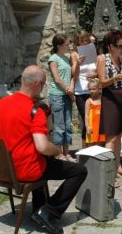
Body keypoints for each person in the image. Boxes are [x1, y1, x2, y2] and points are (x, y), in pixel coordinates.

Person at [0, 65, 87, 234]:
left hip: (3, 168)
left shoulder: (1, 104)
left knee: (43, 158)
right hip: (25, 171)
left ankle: (39, 207)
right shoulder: (34, 110)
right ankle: (47, 211)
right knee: (79, 170)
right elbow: (42, 146)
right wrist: (59, 152)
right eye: (43, 84)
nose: (43, 87)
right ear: (37, 84)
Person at [97, 29, 122, 187]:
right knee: (111, 138)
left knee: (119, 135)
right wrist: (115, 78)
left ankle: (117, 166)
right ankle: (108, 175)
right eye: (120, 46)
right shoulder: (102, 58)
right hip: (110, 97)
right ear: (110, 46)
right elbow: (101, 82)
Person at [48, 34, 76, 162]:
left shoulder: (66, 58)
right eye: (66, 44)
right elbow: (57, 79)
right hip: (57, 96)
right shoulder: (53, 59)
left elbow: (71, 75)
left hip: (67, 95)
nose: (68, 46)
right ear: (59, 45)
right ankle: (58, 154)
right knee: (59, 126)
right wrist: (68, 91)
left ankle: (67, 153)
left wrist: (71, 87)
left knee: (67, 125)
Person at [71, 30, 97, 147]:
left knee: (95, 119)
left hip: (93, 90)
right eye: (82, 40)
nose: (85, 42)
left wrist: (95, 74)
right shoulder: (74, 54)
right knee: (87, 119)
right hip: (81, 91)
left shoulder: (93, 52)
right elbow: (74, 75)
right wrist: (78, 63)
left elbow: (98, 71)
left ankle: (93, 145)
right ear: (77, 42)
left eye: (87, 40)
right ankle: (84, 147)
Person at [85, 78, 105, 146]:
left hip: (100, 126)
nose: (91, 91)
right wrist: (87, 126)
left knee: (100, 144)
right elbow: (86, 115)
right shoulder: (88, 101)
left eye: (93, 89)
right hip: (92, 126)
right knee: (91, 144)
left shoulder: (102, 100)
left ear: (98, 89)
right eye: (90, 89)